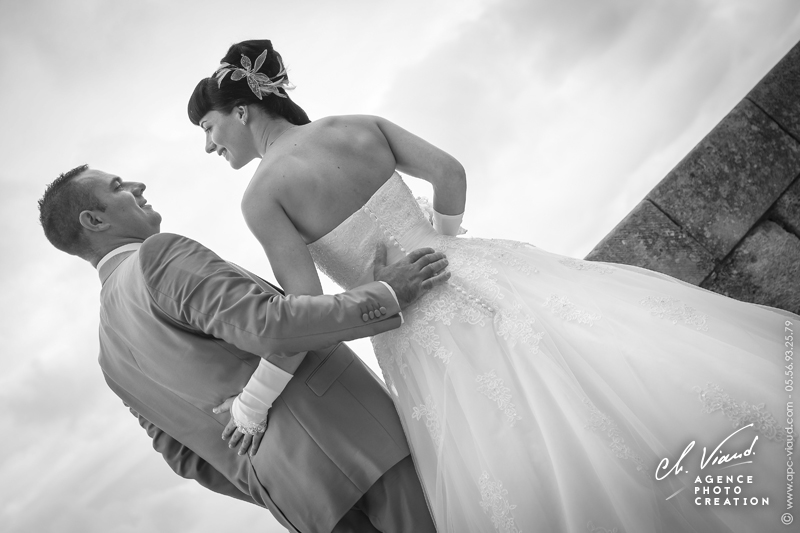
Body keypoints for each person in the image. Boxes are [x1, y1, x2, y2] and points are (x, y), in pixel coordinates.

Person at [188, 39, 798, 533]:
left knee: (515, 450)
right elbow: (449, 172)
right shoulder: (357, 124)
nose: (209, 144)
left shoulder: (263, 196)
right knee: (603, 364)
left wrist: (253, 403)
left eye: (209, 127)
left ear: (242, 112)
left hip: (417, 330)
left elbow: (307, 316)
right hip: (476, 268)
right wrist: (440, 241)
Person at [37, 165, 450, 533]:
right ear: (94, 220)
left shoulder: (108, 358)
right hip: (364, 446)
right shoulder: (156, 257)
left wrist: (270, 479)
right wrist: (387, 294)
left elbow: (184, 458)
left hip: (302, 506)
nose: (137, 185)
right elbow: (272, 326)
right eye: (117, 186)